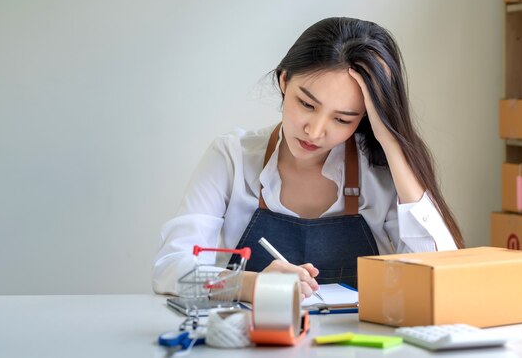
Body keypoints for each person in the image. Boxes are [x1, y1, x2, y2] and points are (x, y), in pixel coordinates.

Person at [152, 17, 464, 302]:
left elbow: (441, 276)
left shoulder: (381, 172)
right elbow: (171, 270)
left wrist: (392, 143)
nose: (315, 132)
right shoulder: (231, 158)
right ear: (284, 80)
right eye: (307, 104)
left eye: (342, 119)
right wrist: (249, 285)